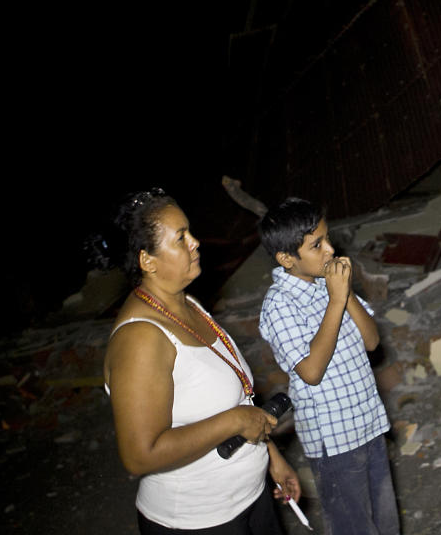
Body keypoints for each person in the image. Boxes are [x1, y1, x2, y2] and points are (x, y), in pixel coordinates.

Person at [95, 188, 300, 534]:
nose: (195, 242)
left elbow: (237, 398)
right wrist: (235, 420)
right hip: (198, 521)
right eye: (180, 238)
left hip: (250, 499)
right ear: (148, 261)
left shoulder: (186, 304)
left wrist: (271, 460)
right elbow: (140, 454)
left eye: (189, 232)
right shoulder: (140, 339)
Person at [257, 197, 400, 535]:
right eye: (317, 244)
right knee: (354, 526)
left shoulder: (327, 282)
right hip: (334, 440)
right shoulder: (280, 305)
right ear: (287, 259)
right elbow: (310, 371)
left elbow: (372, 342)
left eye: (327, 238)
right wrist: (337, 300)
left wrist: (345, 293)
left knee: (386, 520)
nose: (330, 249)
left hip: (367, 421)